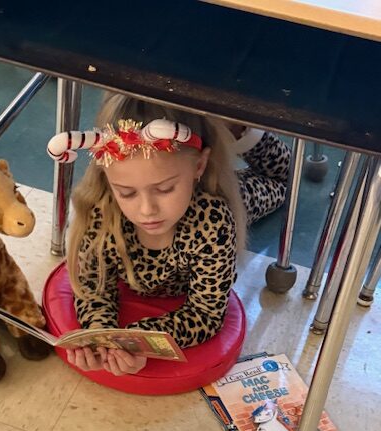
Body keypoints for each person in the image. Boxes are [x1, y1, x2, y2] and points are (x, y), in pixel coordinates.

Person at [47, 93, 291, 376]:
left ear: (199, 166)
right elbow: (93, 289)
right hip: (182, 173)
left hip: (228, 194)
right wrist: (101, 338)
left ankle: (234, 127)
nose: (146, 210)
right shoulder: (102, 211)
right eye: (127, 193)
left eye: (164, 189)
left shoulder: (213, 221)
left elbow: (206, 313)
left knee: (283, 180)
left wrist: (139, 342)